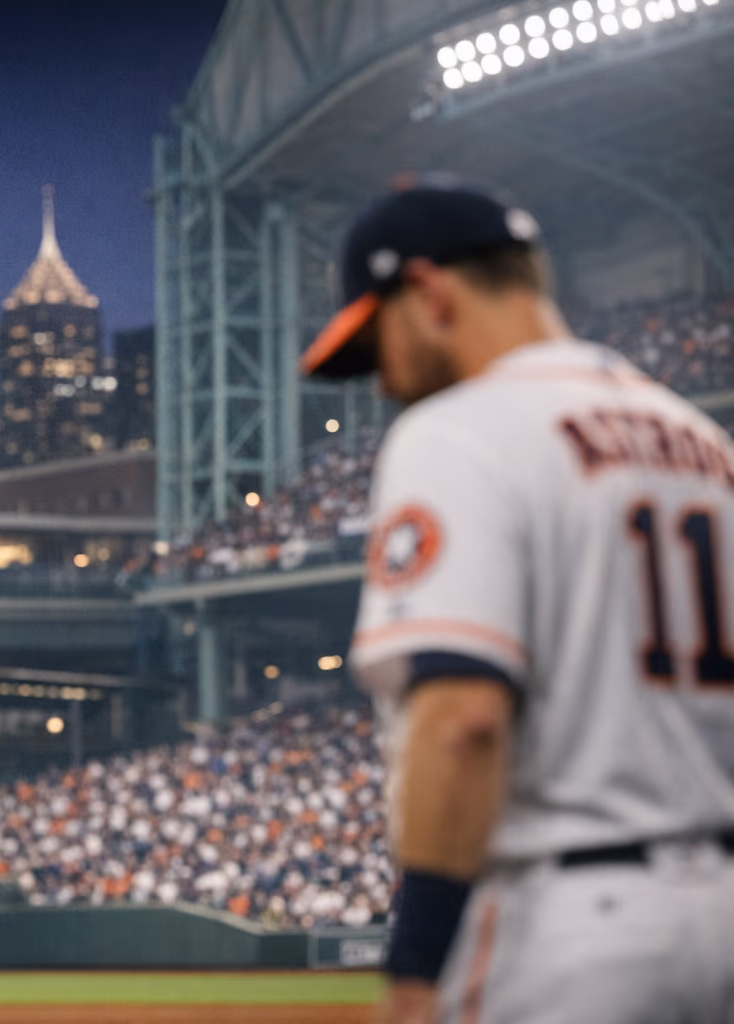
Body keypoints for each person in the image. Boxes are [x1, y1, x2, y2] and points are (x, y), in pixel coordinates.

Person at [301, 182, 734, 1023]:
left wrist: (415, 968)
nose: (382, 382)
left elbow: (463, 717)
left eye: (378, 340)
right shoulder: (703, 443)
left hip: (571, 929)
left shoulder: (460, 429)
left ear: (428, 293)